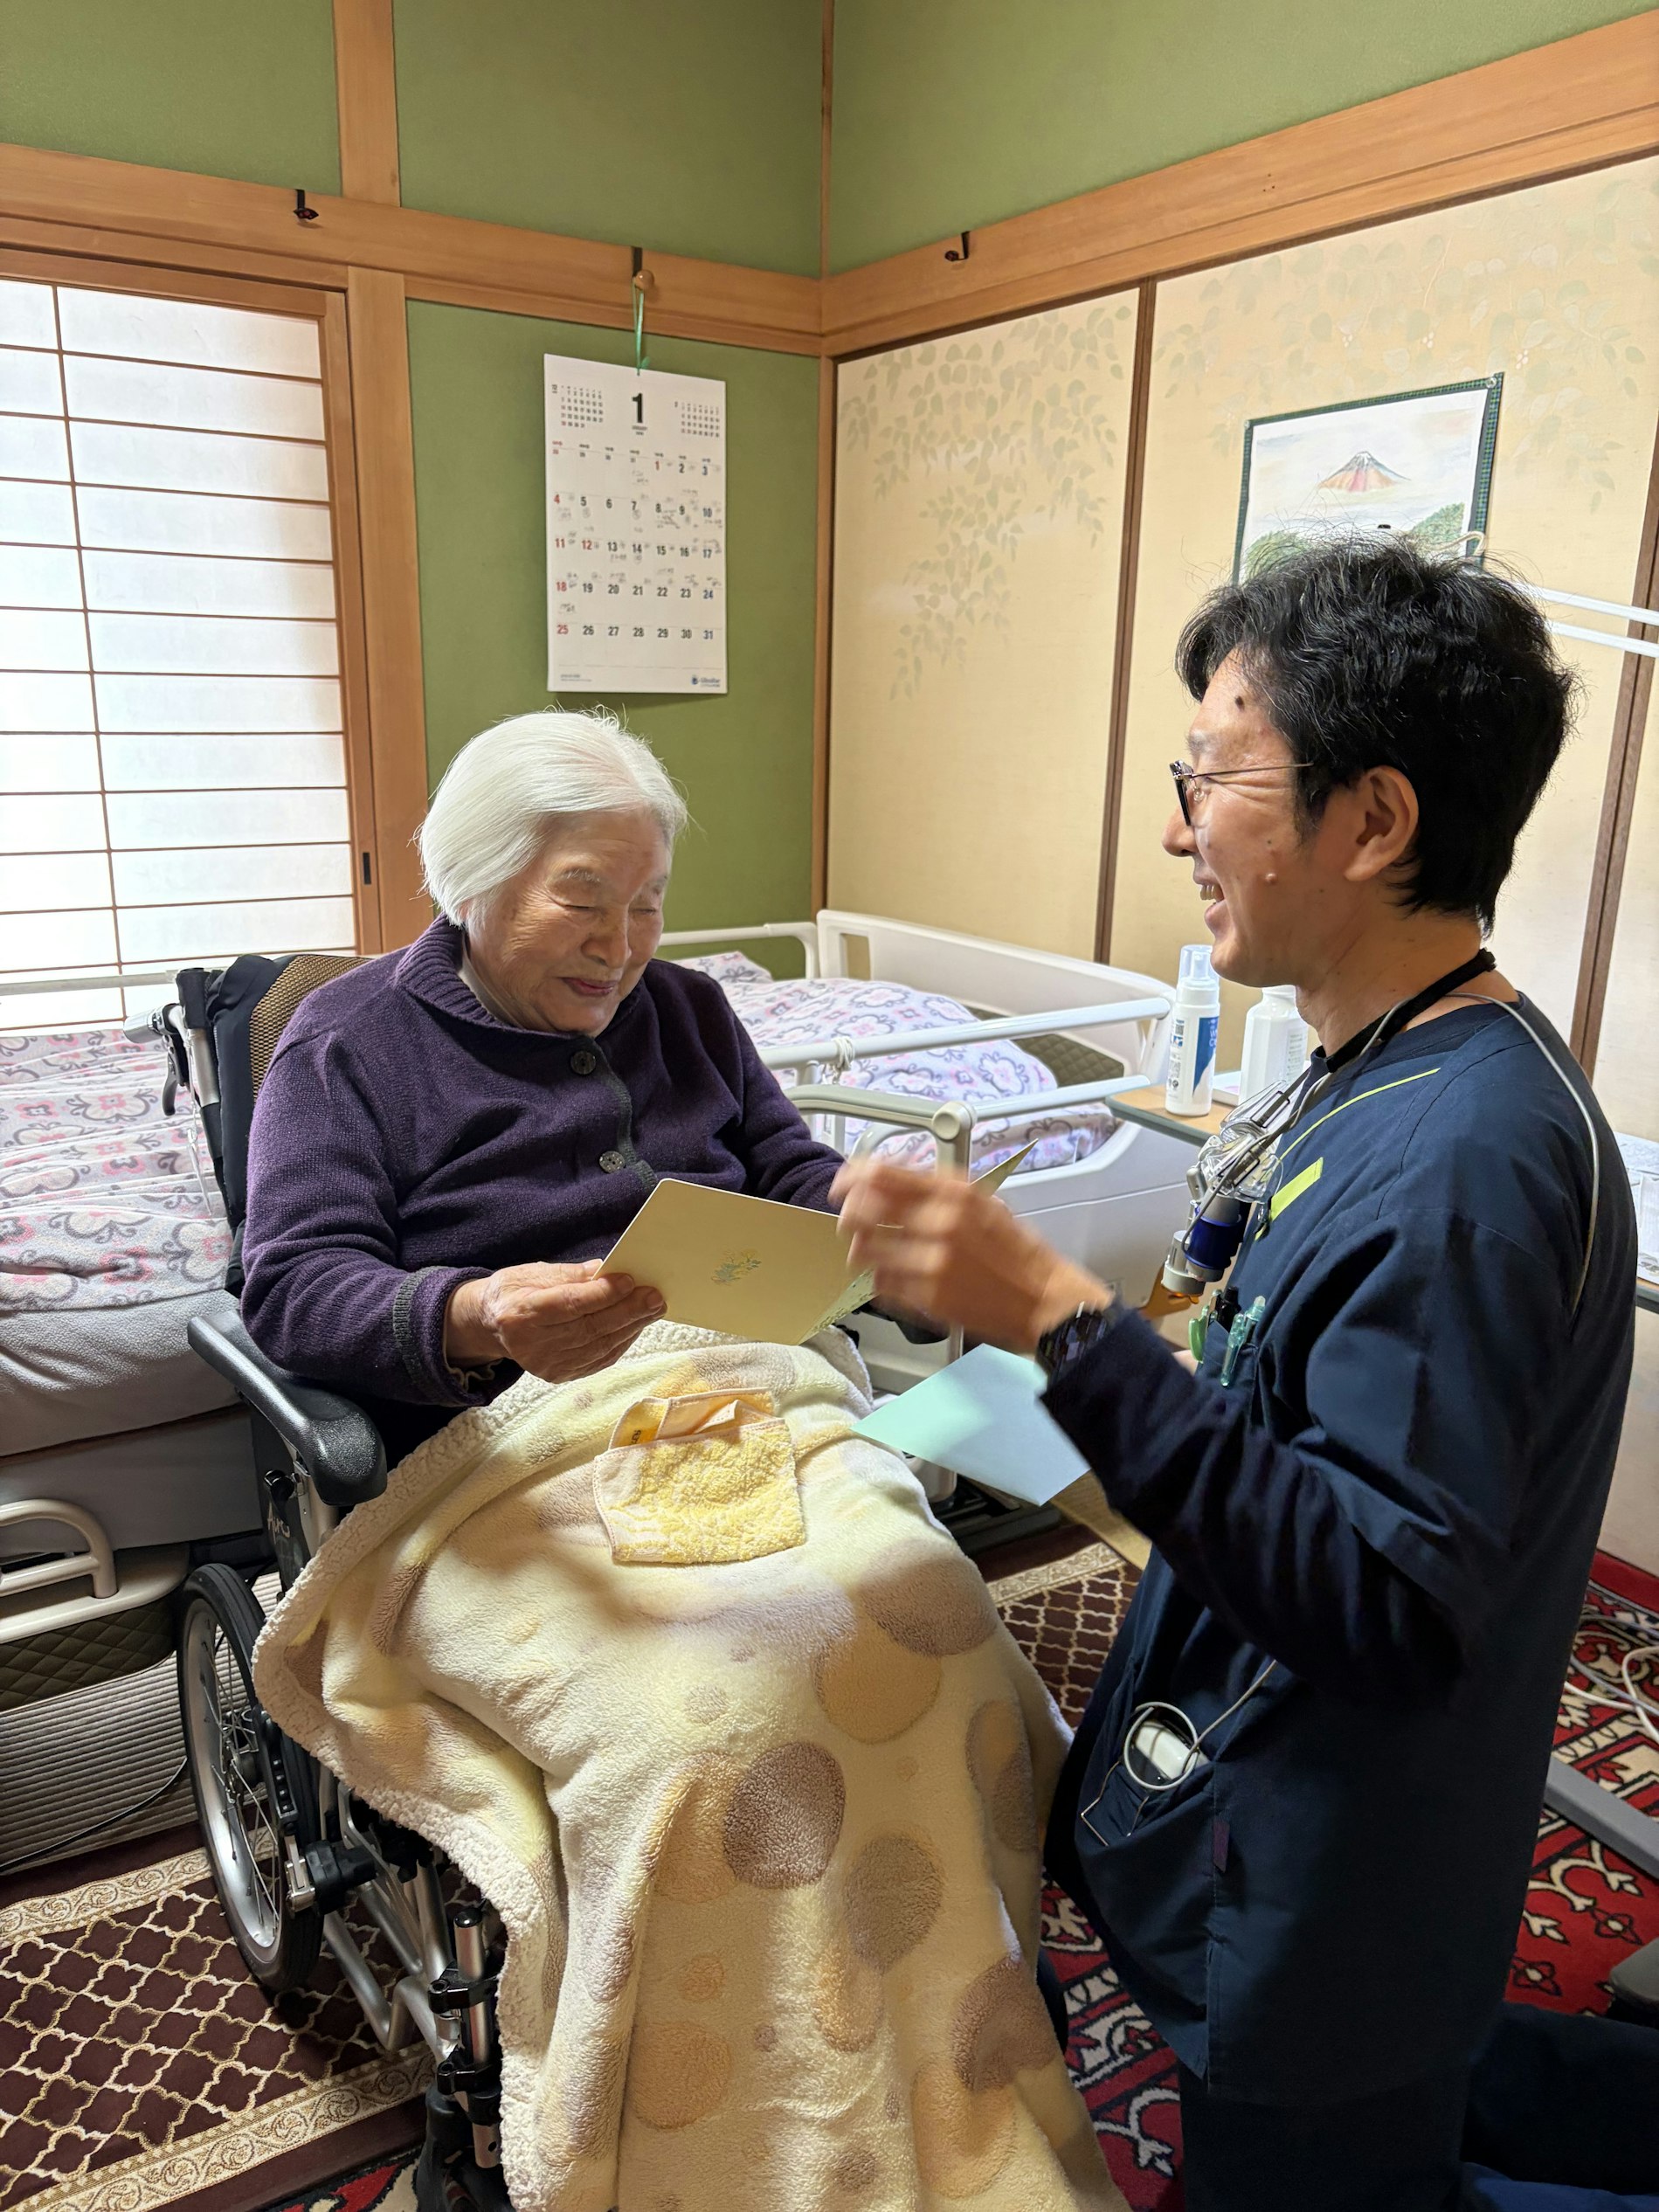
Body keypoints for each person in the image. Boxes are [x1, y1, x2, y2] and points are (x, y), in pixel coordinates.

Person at [833, 537, 1639, 2211]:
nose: (1174, 824)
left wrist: (1062, 1321)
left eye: (1210, 775)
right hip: (1275, 1825)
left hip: (1336, 1895)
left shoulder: (1464, 1157)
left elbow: (1378, 1598)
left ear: (1372, 820)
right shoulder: (1376, 1071)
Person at [239, 709, 847, 1462]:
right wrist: (478, 1313)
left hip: (746, 1388)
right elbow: (297, 1288)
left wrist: (862, 1213)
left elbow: (788, 1170)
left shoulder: (690, 1008)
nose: (619, 948)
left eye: (646, 904)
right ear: (470, 885)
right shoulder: (346, 1043)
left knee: (892, 1556)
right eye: (582, 902)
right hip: (516, 1439)